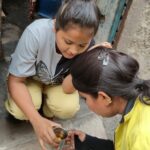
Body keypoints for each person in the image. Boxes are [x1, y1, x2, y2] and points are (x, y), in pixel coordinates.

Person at [5, 0, 109, 149]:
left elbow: (67, 88)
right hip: (28, 79)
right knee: (21, 110)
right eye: (68, 41)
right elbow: (15, 81)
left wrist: (85, 61)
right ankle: (36, 111)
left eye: (81, 45)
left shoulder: (88, 46)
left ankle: (47, 112)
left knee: (68, 108)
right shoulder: (36, 33)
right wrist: (36, 121)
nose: (73, 50)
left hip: (58, 82)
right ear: (55, 26)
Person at [69, 45, 150, 150]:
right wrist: (87, 141)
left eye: (85, 99)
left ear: (104, 97)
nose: (86, 103)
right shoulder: (140, 100)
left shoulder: (141, 137)